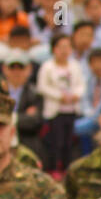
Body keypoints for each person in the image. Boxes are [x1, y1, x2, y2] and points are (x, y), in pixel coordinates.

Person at [36, 33, 84, 174]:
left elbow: (81, 85)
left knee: (69, 142)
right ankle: (54, 168)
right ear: (53, 49)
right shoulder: (47, 66)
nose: (64, 50)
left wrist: (76, 95)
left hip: (71, 110)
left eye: (67, 47)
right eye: (60, 47)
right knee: (56, 141)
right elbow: (42, 86)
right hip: (55, 111)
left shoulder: (75, 66)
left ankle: (67, 169)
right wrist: (59, 96)